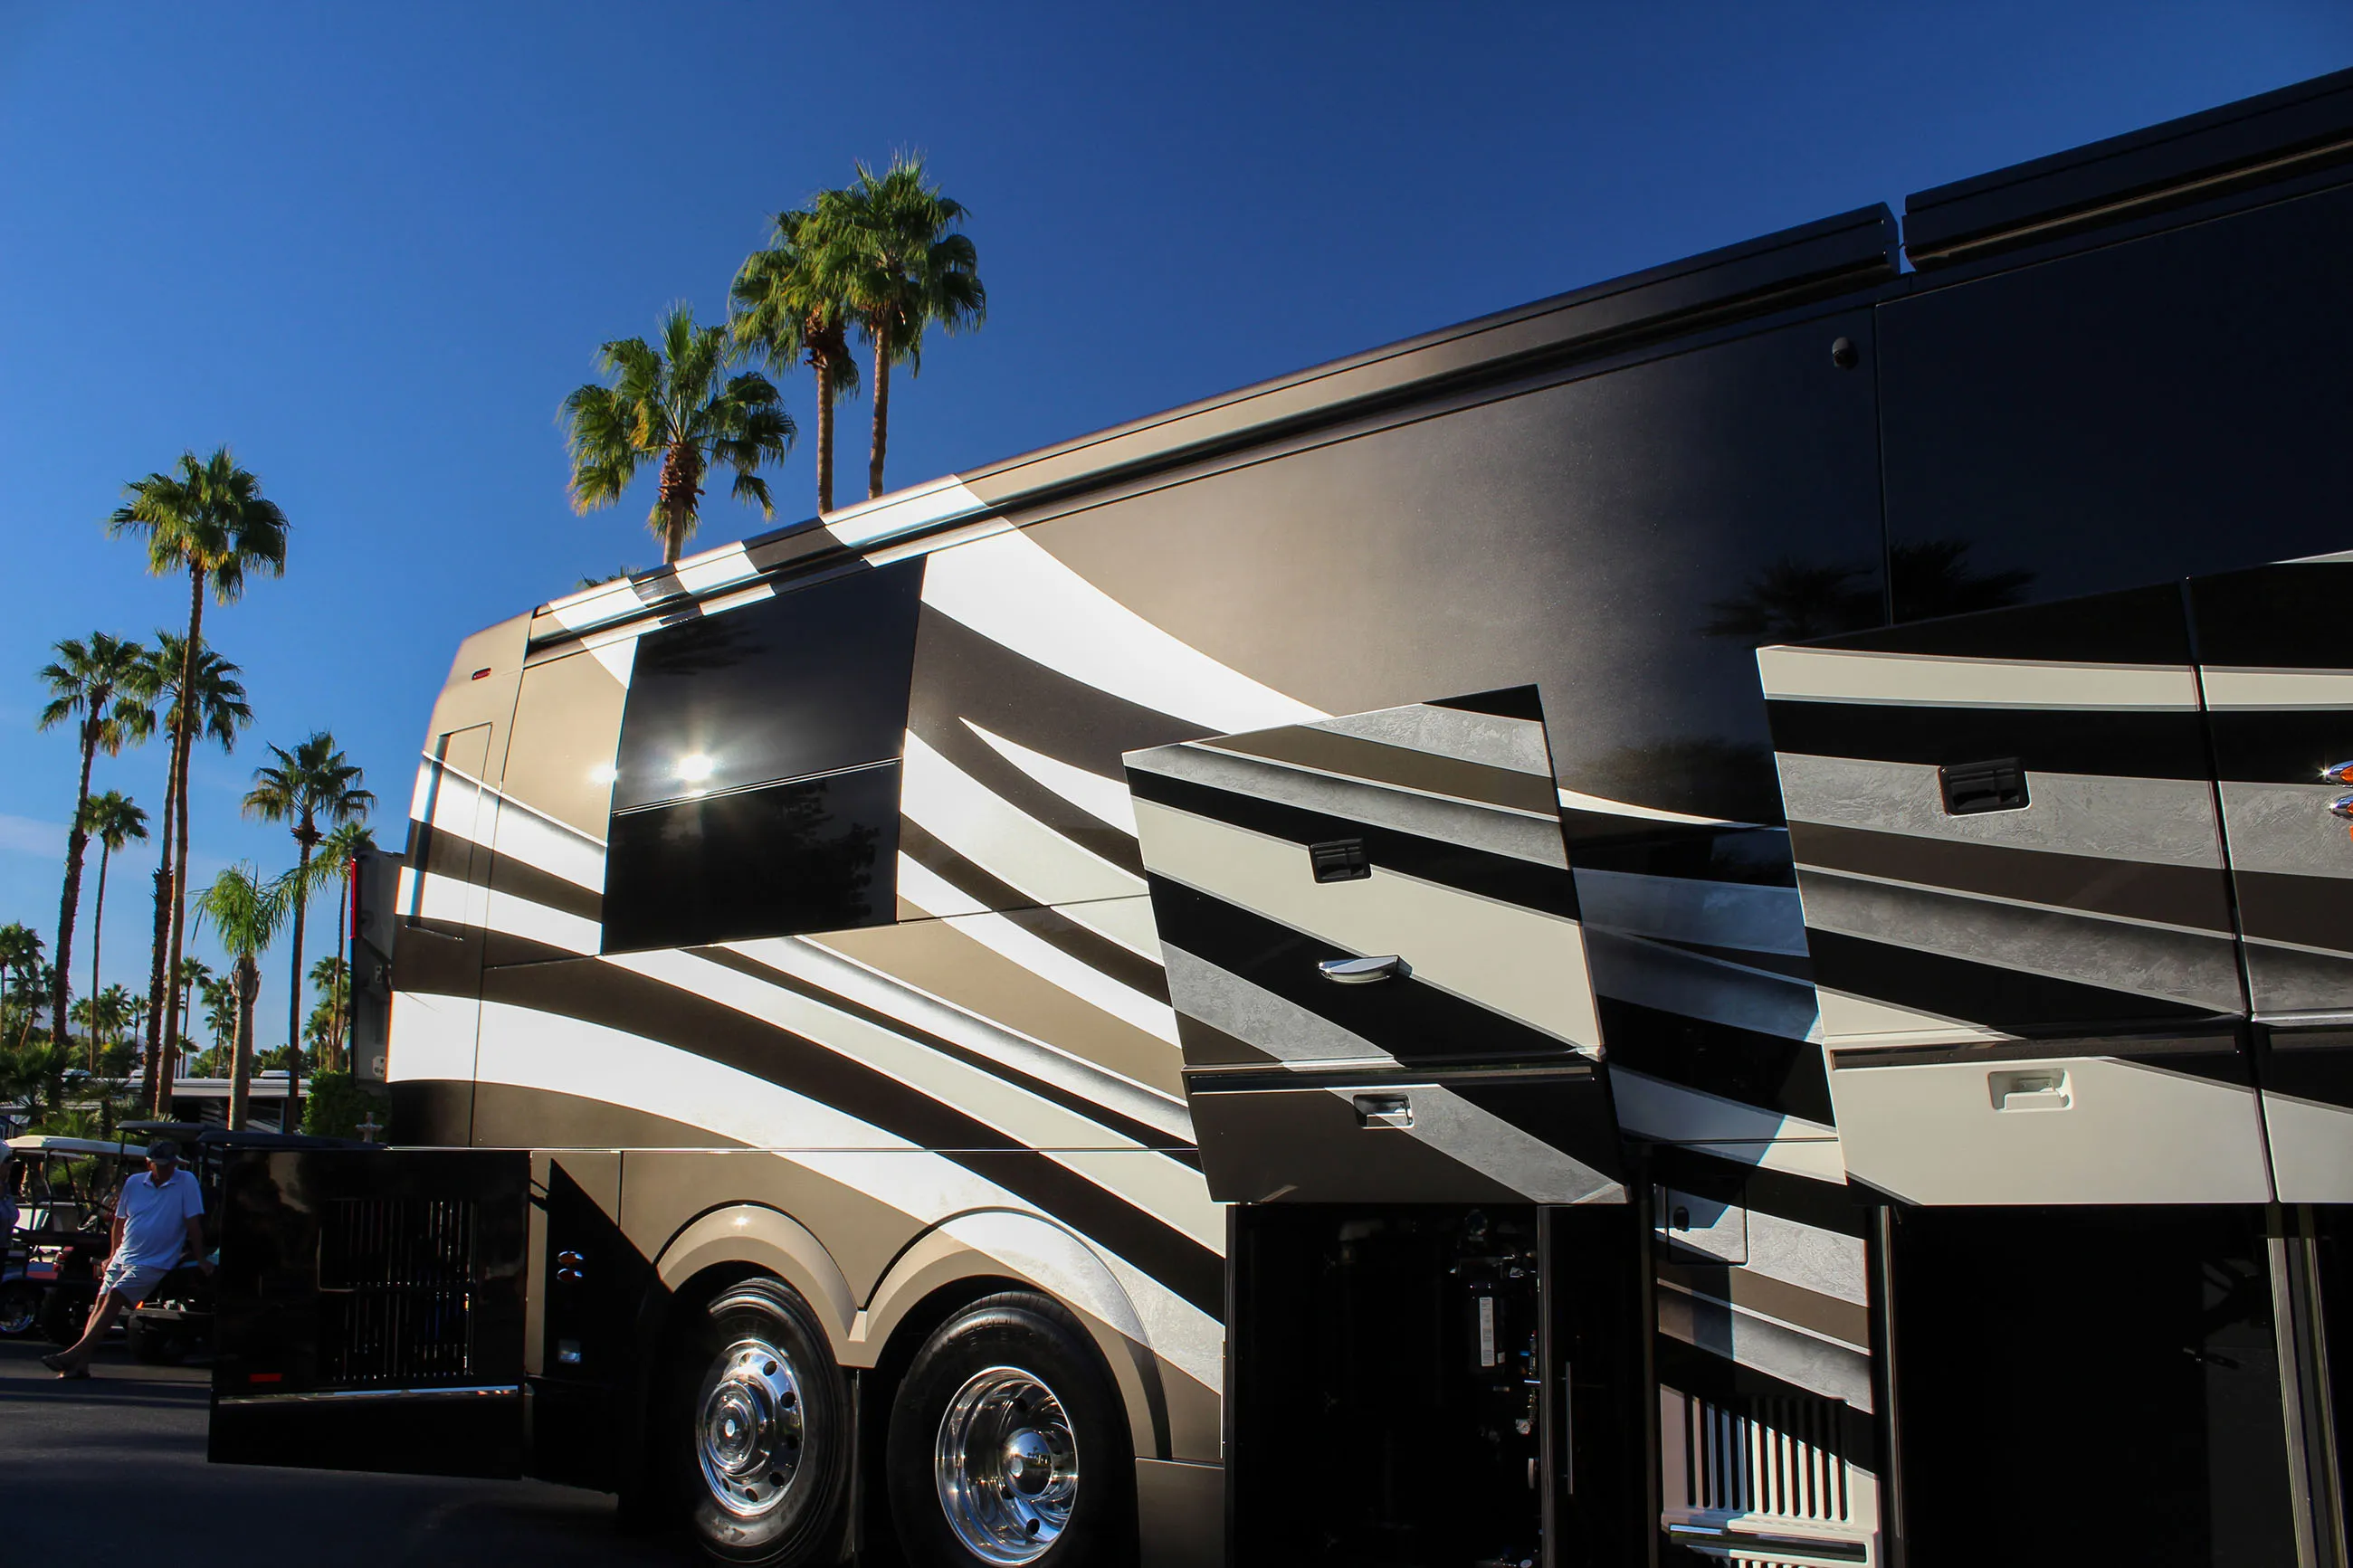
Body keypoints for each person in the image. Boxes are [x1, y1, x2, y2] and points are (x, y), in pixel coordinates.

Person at [42, 1138, 208, 1378]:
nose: (166, 1169)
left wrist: (201, 1257)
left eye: (170, 1164)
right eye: (161, 1164)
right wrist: (112, 1254)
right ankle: (80, 1364)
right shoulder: (134, 1183)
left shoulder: (186, 1182)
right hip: (124, 1254)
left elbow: (193, 1223)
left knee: (116, 1295)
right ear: (149, 1163)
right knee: (100, 1302)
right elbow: (119, 1222)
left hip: (155, 1260)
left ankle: (74, 1354)